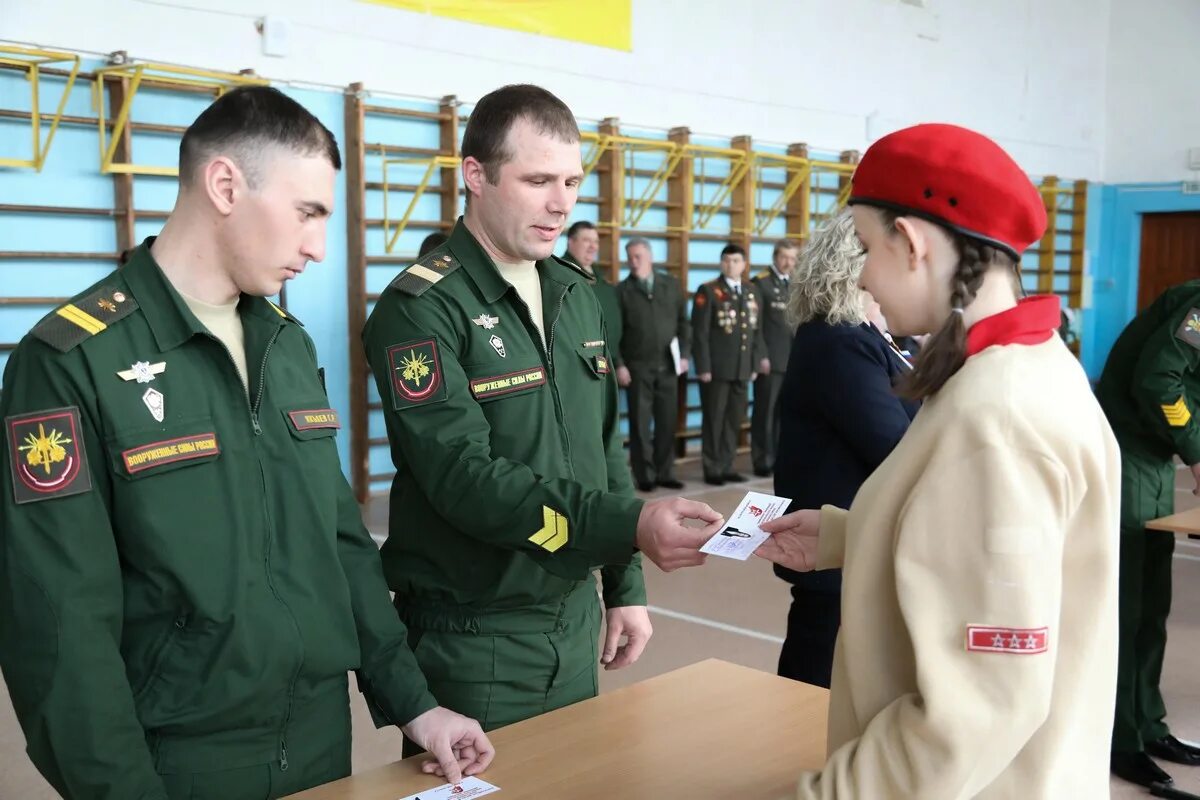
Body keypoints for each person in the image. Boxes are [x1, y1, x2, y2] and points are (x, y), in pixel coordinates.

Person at [0, 86, 491, 800]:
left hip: (321, 742)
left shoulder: (286, 348)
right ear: (226, 184)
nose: (320, 247)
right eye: (308, 213)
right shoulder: (71, 363)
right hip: (182, 764)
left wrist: (416, 703)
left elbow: (342, 546)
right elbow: (60, 632)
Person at [756, 123, 1121, 797]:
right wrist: (848, 533)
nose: (861, 272)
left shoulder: (998, 419)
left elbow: (982, 705)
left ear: (913, 243)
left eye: (867, 246)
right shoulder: (1025, 366)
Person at [361, 84, 723, 744]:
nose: (562, 204)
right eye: (537, 181)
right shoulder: (420, 309)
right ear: (475, 175)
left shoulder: (576, 295)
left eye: (571, 181)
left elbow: (603, 449)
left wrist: (626, 584)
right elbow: (463, 479)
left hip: (573, 614)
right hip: (475, 636)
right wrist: (634, 526)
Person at [772, 210, 917, 689]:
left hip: (852, 540)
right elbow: (895, 445)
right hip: (839, 546)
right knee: (814, 694)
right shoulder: (841, 341)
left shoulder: (869, 336)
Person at [1097, 282, 1200, 789]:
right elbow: (1160, 382)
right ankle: (1119, 738)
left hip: (1155, 455)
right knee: (1130, 603)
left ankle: (1149, 724)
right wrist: (1197, 450)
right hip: (1130, 448)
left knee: (1152, 603)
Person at [616, 237, 691, 491]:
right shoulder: (622, 291)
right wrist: (619, 364)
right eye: (630, 258)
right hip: (637, 368)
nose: (633, 262)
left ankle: (665, 472)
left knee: (667, 422)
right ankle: (644, 475)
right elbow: (614, 332)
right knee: (639, 425)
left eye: (638, 257)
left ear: (650, 257)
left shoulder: (671, 285)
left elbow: (684, 322)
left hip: (669, 367)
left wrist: (684, 355)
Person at [691, 243, 768, 485]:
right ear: (721, 263)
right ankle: (712, 468)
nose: (730, 265)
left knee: (734, 419)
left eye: (735, 261)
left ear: (744, 265)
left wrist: (755, 363)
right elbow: (700, 333)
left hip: (742, 368)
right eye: (726, 260)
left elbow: (756, 331)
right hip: (716, 370)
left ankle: (726, 464)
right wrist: (703, 367)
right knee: (714, 419)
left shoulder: (751, 291)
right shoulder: (709, 290)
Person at [750, 239, 799, 477]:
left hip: (792, 360)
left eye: (792, 258)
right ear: (774, 257)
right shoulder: (761, 284)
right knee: (765, 413)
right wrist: (761, 355)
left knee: (785, 414)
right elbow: (754, 326)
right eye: (784, 257)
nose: (788, 262)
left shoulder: (796, 284)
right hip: (770, 360)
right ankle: (762, 460)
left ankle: (779, 458)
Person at [562, 221, 623, 372]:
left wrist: (619, 361)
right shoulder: (561, 274)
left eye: (595, 241)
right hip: (579, 366)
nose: (593, 246)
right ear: (571, 241)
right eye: (586, 240)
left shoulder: (600, 277)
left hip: (607, 362)